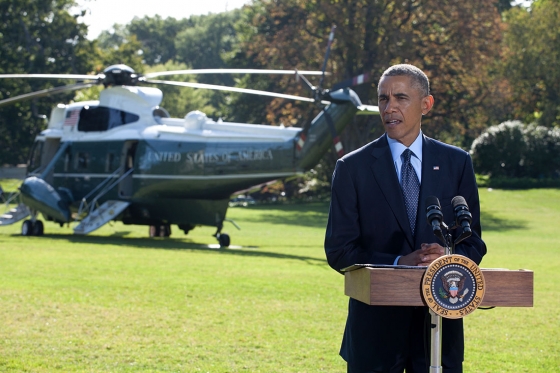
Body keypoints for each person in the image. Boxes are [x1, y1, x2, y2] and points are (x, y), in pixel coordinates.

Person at [324, 64, 486, 373]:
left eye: (400, 97)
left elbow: (474, 243)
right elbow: (339, 252)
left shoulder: (457, 163)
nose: (389, 107)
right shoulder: (352, 168)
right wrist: (399, 263)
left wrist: (448, 257)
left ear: (426, 104)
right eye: (383, 99)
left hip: (440, 334)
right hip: (375, 336)